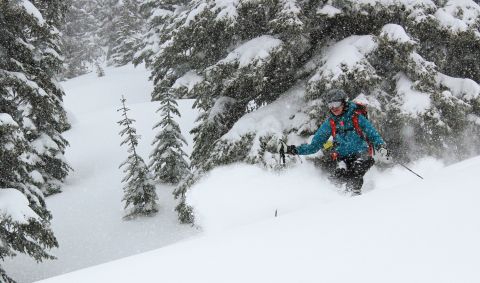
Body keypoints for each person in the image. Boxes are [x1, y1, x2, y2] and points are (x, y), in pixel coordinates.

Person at [281, 89, 389, 196]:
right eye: (330, 105)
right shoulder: (330, 123)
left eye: (336, 103)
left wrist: (381, 146)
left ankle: (358, 198)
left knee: (356, 173)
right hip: (343, 157)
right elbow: (314, 146)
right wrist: (292, 149)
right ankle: (338, 201)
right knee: (338, 179)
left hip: (362, 154)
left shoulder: (356, 117)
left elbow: (372, 134)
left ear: (344, 102)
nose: (334, 108)